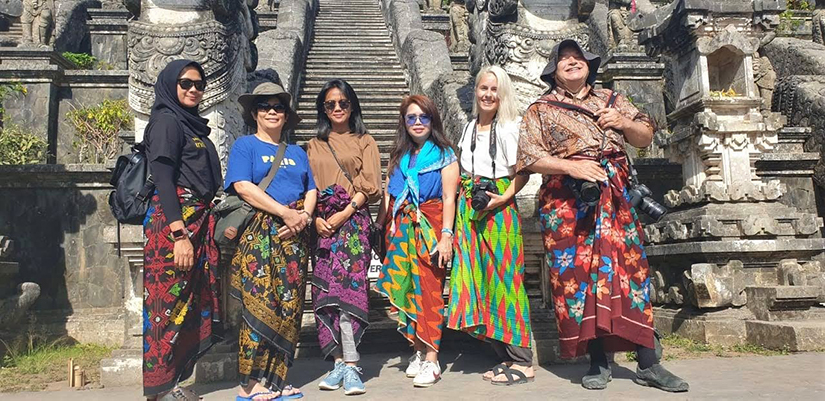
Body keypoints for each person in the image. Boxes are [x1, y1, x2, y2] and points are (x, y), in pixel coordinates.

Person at [516, 39, 689, 392]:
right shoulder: (541, 109)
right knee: (579, 281)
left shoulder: (612, 100)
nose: (571, 62)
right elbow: (528, 158)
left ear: (588, 66)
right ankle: (597, 362)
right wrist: (573, 168)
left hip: (616, 197)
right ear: (554, 72)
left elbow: (645, 136)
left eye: (577, 57)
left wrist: (624, 121)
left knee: (631, 274)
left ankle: (648, 363)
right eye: (563, 59)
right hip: (567, 203)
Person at [224, 81, 317, 400]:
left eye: (278, 106)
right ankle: (249, 384)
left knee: (288, 308)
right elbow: (242, 187)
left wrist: (302, 217)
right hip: (261, 234)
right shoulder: (245, 146)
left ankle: (276, 380)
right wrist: (284, 213)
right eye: (265, 106)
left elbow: (311, 189)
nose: (273, 111)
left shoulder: (296, 152)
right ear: (255, 113)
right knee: (258, 305)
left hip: (294, 238)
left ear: (286, 114)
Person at [446, 66, 534, 386]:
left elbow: (523, 171)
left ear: (503, 94)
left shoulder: (511, 127)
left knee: (506, 281)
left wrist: (502, 198)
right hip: (470, 211)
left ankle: (523, 360)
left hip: (500, 211)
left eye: (494, 90)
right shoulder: (469, 128)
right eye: (483, 88)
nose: (488, 94)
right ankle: (505, 358)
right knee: (477, 279)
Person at [142, 59, 222, 401]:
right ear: (170, 84)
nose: (193, 90)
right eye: (186, 83)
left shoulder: (193, 126)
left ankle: (173, 382)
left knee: (189, 303)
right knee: (167, 305)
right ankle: (159, 389)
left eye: (199, 84)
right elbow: (162, 178)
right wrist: (178, 234)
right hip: (174, 225)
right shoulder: (166, 121)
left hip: (197, 220)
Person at [375, 95, 459, 388]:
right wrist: (381, 225)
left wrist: (446, 235)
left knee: (431, 291)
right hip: (402, 231)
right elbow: (390, 194)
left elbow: (449, 197)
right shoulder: (398, 156)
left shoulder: (445, 153)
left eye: (423, 117)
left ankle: (433, 359)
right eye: (411, 118)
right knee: (409, 290)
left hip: (431, 228)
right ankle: (418, 350)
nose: (418, 123)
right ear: (404, 122)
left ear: (432, 119)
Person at [306, 79, 382, 396]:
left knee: (349, 294)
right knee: (325, 296)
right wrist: (317, 218)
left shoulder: (365, 141)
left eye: (343, 102)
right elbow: (307, 186)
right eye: (330, 104)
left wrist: (343, 213)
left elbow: (371, 186)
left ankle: (352, 365)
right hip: (322, 226)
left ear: (352, 105)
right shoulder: (313, 144)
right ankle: (337, 361)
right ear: (323, 109)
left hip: (352, 226)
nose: (337, 108)